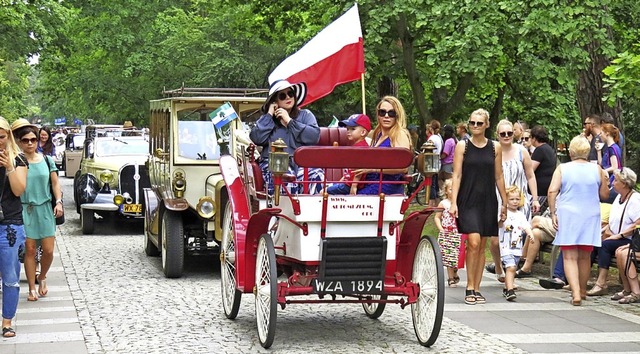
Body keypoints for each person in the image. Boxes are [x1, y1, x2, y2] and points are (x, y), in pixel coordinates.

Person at [450, 108, 508, 305]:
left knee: (482, 245)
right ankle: (468, 287)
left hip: (488, 200)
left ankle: (476, 286)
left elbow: (498, 175)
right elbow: (456, 175)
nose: (475, 126)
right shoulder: (462, 146)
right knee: (473, 241)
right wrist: (453, 201)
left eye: (479, 123)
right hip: (467, 199)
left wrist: (504, 202)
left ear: (487, 125)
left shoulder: (495, 147)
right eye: (472, 122)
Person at [547, 135, 609, 306]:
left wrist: (553, 213)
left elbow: (552, 191)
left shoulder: (563, 168)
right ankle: (582, 290)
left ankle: (574, 293)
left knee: (569, 256)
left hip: (569, 214)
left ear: (571, 151)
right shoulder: (597, 169)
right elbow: (604, 195)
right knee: (584, 255)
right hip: (590, 215)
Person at [11, 120, 63, 302]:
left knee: (48, 250)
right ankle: (32, 288)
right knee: (30, 250)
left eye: (33, 139)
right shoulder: (16, 162)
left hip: (45, 209)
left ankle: (42, 277)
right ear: (19, 142)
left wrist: (58, 202)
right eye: (25, 140)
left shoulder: (47, 160)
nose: (30, 143)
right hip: (26, 209)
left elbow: (55, 183)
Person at [486, 120, 539, 282]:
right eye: (503, 134)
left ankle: (510, 274)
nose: (507, 136)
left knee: (515, 238)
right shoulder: (493, 151)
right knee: (495, 240)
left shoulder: (521, 151)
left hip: (518, 200)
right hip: (498, 199)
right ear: (497, 135)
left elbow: (530, 175)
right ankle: (498, 266)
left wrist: (535, 199)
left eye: (510, 133)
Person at [250, 79, 322, 194]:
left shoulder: (306, 115)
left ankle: (317, 211)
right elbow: (257, 138)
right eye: (282, 96)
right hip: (274, 163)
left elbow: (314, 137)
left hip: (302, 164)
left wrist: (289, 121)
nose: (288, 97)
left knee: (317, 178)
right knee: (286, 179)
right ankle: (285, 211)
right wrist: (269, 114)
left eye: (291, 94)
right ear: (274, 101)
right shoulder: (267, 120)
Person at [586, 168, 640, 297]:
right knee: (594, 243)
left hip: (629, 239)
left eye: (616, 180)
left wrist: (619, 235)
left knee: (605, 245)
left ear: (625, 183)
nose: (612, 183)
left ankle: (601, 283)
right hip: (615, 235)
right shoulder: (619, 197)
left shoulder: (635, 199)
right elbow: (614, 220)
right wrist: (605, 230)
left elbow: (637, 223)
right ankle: (581, 280)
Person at [0, 117, 28, 338]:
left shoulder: (18, 159)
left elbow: (19, 190)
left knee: (10, 277)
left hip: (9, 225)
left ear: (8, 137)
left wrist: (9, 167)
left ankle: (7, 321)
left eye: (1, 137)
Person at [355, 96, 412, 195]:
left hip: (386, 187)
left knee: (350, 203)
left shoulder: (399, 134)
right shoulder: (378, 134)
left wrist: (373, 169)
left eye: (391, 113)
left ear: (397, 115)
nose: (386, 116)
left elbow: (403, 167)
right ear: (378, 114)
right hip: (370, 183)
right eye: (382, 112)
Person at [499, 186, 533, 301]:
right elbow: (498, 225)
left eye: (517, 199)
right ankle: (510, 290)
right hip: (505, 246)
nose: (515, 202)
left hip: (517, 247)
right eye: (512, 199)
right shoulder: (503, 213)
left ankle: (506, 287)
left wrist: (530, 234)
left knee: (513, 267)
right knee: (511, 267)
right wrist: (501, 220)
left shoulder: (520, 214)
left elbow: (526, 225)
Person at [326, 114, 371, 195]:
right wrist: (342, 180)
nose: (348, 131)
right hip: (348, 183)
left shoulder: (360, 148)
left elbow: (359, 168)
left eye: (353, 129)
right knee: (330, 188)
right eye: (347, 129)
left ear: (363, 132)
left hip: (349, 185)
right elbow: (351, 170)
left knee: (324, 191)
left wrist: (354, 185)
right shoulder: (358, 146)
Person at [434, 178, 460, 287]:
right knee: (449, 257)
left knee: (458, 257)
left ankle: (455, 271)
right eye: (450, 189)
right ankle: (450, 278)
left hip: (459, 233)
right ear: (445, 191)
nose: (453, 192)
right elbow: (437, 217)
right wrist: (441, 229)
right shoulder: (443, 203)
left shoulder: (461, 203)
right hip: (447, 233)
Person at [529, 125, 557, 210]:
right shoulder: (549, 149)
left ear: (534, 138)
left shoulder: (539, 150)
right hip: (547, 188)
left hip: (539, 191)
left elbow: (530, 170)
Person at [596, 123, 623, 203]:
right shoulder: (609, 148)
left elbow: (615, 167)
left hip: (611, 181)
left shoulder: (612, 149)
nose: (600, 135)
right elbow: (602, 164)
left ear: (607, 133)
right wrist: (598, 151)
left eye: (601, 133)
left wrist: (602, 172)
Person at [426, 120, 443, 206]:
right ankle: (437, 202)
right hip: (436, 162)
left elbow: (427, 149)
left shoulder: (432, 138)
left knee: (431, 183)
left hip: (431, 163)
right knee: (435, 184)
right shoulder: (438, 137)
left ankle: (430, 203)